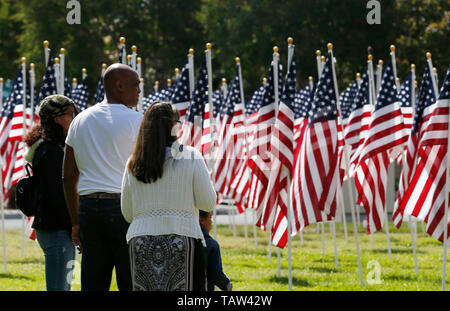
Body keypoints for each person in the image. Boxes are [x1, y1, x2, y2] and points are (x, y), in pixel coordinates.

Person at [63, 63, 143, 291]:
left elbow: (68, 175)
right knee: (131, 282)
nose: (138, 91)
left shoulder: (79, 120)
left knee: (93, 284)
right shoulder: (138, 121)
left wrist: (75, 222)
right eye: (135, 85)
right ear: (119, 86)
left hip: (89, 210)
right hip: (127, 209)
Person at [121, 102, 216, 291]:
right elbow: (208, 201)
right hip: (182, 239)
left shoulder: (133, 162)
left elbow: (128, 213)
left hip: (141, 242)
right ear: (174, 126)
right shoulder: (191, 156)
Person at [24, 95, 77, 291]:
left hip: (57, 229)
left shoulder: (53, 148)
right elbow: (57, 196)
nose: (74, 117)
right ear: (57, 119)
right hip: (56, 229)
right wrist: (74, 224)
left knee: (63, 286)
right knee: (58, 288)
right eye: (71, 113)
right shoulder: (49, 151)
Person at [199, 210, 232, 291]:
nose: (211, 221)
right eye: (210, 217)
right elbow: (216, 273)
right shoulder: (210, 244)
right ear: (201, 220)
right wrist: (227, 285)